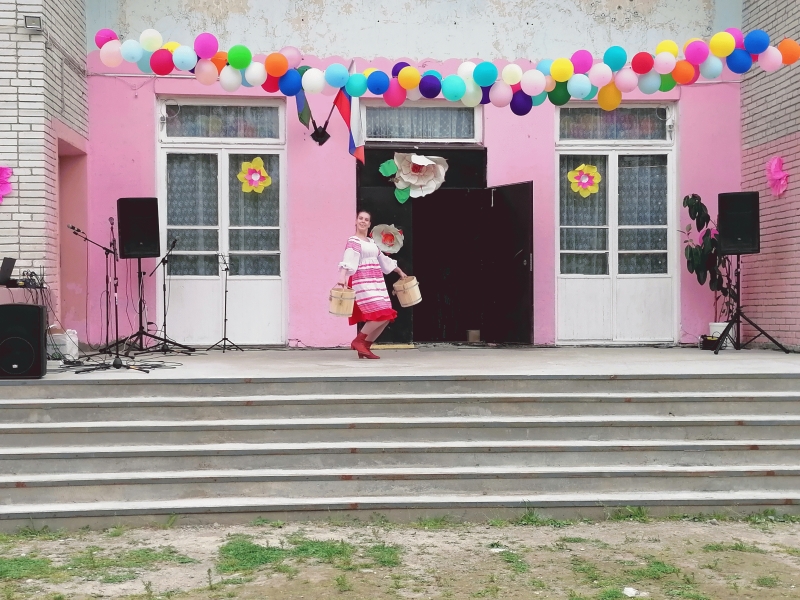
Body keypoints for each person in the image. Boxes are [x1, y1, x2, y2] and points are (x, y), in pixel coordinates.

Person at [336, 209, 407, 359]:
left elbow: (384, 260)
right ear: (356, 222)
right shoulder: (354, 241)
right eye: (360, 218)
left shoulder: (372, 243)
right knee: (381, 313)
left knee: (387, 316)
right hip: (363, 281)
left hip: (377, 282)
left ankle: (365, 346)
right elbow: (347, 260)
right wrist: (341, 278)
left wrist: (400, 272)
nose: (363, 221)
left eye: (366, 219)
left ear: (369, 224)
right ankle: (359, 341)